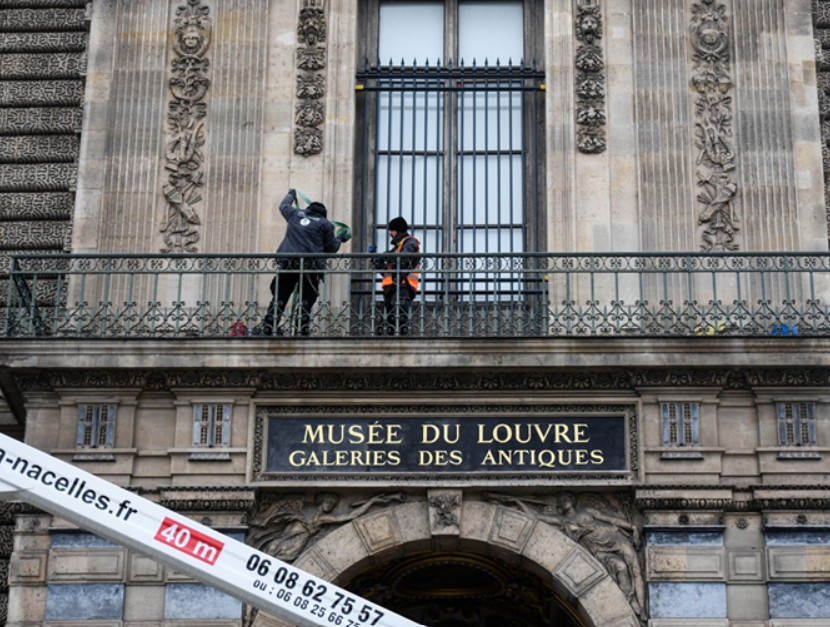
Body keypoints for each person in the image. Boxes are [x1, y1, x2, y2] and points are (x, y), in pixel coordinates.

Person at [257, 189, 350, 336]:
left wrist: (290, 195)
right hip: (310, 267)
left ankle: (269, 326)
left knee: (280, 296)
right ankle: (301, 330)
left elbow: (283, 206)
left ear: (308, 209)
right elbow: (331, 248)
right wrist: (340, 238)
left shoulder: (295, 214)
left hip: (288, 263)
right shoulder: (326, 225)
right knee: (306, 298)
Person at [375, 216, 420, 335]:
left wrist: (385, 257)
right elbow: (388, 270)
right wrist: (377, 260)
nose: (390, 233)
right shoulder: (397, 247)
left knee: (400, 319)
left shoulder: (410, 243)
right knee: (389, 321)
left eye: (392, 230)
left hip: (403, 286)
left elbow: (402, 260)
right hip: (392, 287)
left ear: (399, 230)